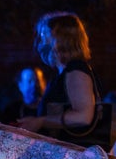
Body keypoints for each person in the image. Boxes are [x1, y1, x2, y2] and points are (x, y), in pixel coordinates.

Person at [17, 12, 100, 144]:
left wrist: (41, 121)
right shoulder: (63, 73)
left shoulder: (76, 71)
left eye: (46, 34)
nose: (41, 40)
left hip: (71, 158)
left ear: (62, 38)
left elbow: (83, 117)